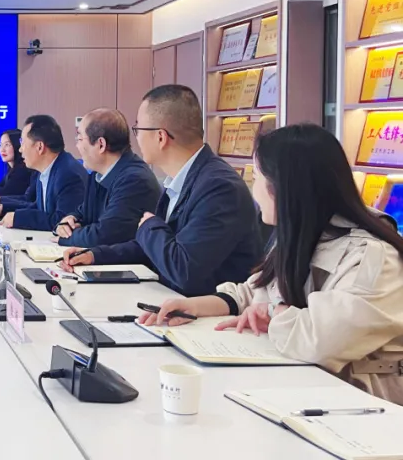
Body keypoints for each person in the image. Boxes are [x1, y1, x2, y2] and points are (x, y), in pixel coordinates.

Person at [139, 124, 403, 404]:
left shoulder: (373, 257)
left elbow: (321, 340)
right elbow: (256, 290)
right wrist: (195, 307)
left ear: (284, 187)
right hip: (307, 390)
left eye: (257, 177)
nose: (253, 191)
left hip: (365, 405)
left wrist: (271, 312)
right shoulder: (304, 233)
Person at [61, 85, 260, 296]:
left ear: (160, 137)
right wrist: (96, 255)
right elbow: (153, 248)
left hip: (203, 309)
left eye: (138, 130)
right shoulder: (182, 178)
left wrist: (150, 226)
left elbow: (184, 269)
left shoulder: (219, 188)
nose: (136, 138)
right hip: (170, 299)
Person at [55, 109, 161, 247]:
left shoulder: (134, 180)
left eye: (80, 139)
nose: (77, 146)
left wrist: (66, 238)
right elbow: (84, 213)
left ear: (101, 145)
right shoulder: (98, 174)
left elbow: (105, 236)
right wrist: (68, 222)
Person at [0, 115, 86, 231]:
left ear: (39, 147)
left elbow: (62, 221)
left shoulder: (67, 174)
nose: (20, 149)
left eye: (23, 143)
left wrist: (18, 218)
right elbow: (38, 207)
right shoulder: (46, 170)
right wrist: (3, 209)